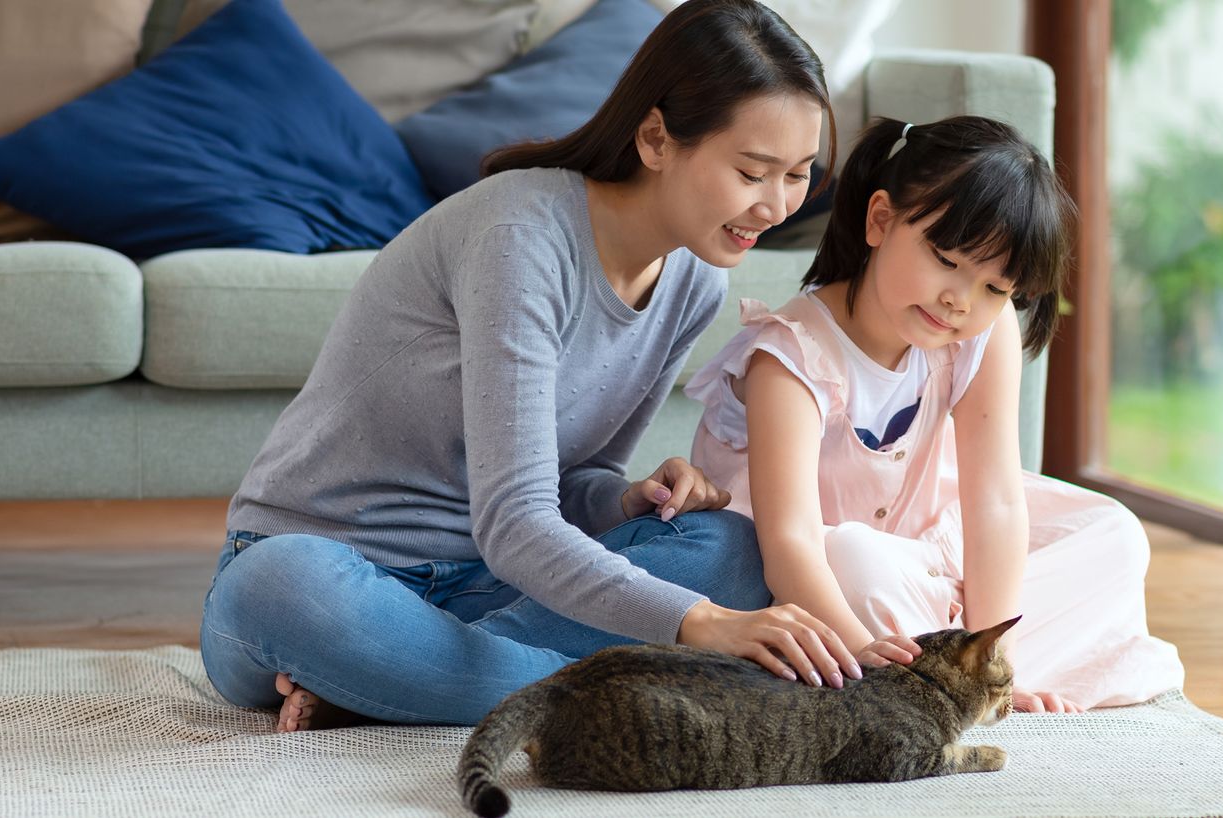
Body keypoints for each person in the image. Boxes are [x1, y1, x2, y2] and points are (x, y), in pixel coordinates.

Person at [199, 0, 869, 733]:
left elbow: (561, 485)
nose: (775, 205)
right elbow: (515, 522)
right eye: (752, 172)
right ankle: (609, 684)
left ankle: (396, 684)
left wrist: (625, 500)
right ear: (655, 139)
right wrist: (698, 627)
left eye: (800, 175)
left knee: (731, 550)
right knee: (281, 587)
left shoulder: (695, 284)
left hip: (487, 590)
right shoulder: (521, 236)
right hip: (333, 572)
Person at [685, 116, 1186, 712]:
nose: (960, 300)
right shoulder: (790, 357)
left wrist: (993, 656)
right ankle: (904, 673)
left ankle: (966, 670)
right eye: (946, 258)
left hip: (920, 544)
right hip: (809, 581)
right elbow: (790, 543)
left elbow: (995, 498)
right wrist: (863, 651)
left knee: (1114, 536)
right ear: (880, 221)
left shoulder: (980, 329)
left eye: (996, 287)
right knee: (854, 560)